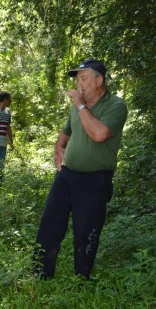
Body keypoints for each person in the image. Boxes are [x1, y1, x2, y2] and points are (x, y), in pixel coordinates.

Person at [33, 58, 128, 279]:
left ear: (99, 80)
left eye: (83, 78)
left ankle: (81, 280)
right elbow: (65, 132)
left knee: (86, 232)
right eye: (78, 80)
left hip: (95, 180)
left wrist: (81, 106)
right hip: (66, 176)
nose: (79, 84)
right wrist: (58, 147)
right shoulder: (77, 108)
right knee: (49, 225)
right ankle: (40, 275)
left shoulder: (116, 105)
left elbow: (99, 134)